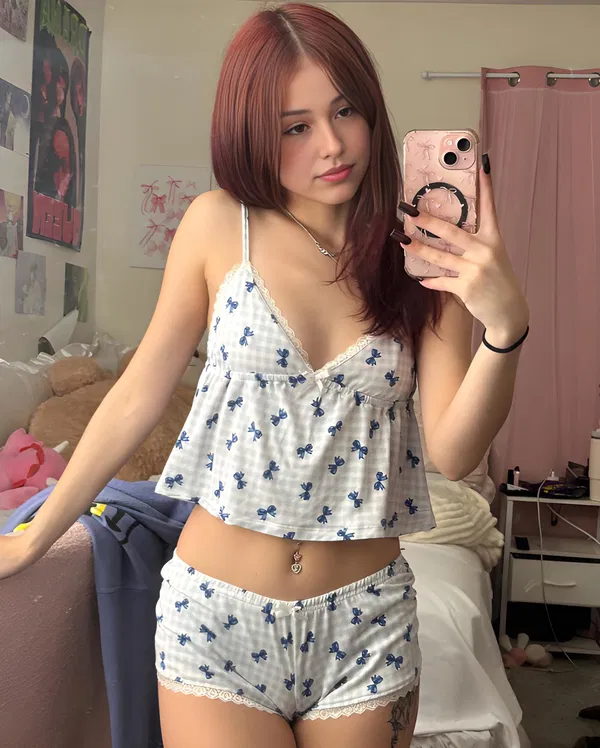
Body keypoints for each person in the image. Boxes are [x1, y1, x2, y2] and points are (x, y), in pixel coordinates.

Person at [0, 4, 529, 747]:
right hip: (216, 618)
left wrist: (504, 329)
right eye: (295, 126)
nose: (332, 144)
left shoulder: (422, 255)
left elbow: (453, 450)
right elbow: (139, 393)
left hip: (365, 623)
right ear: (251, 133)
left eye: (345, 111)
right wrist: (33, 537)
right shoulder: (219, 223)